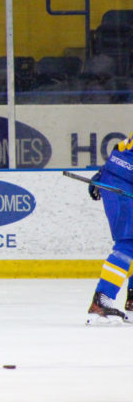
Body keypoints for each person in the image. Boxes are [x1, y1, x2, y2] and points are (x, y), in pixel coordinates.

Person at [85, 133, 133, 325]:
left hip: (120, 178)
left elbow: (119, 148)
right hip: (121, 183)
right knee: (129, 241)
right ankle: (101, 302)